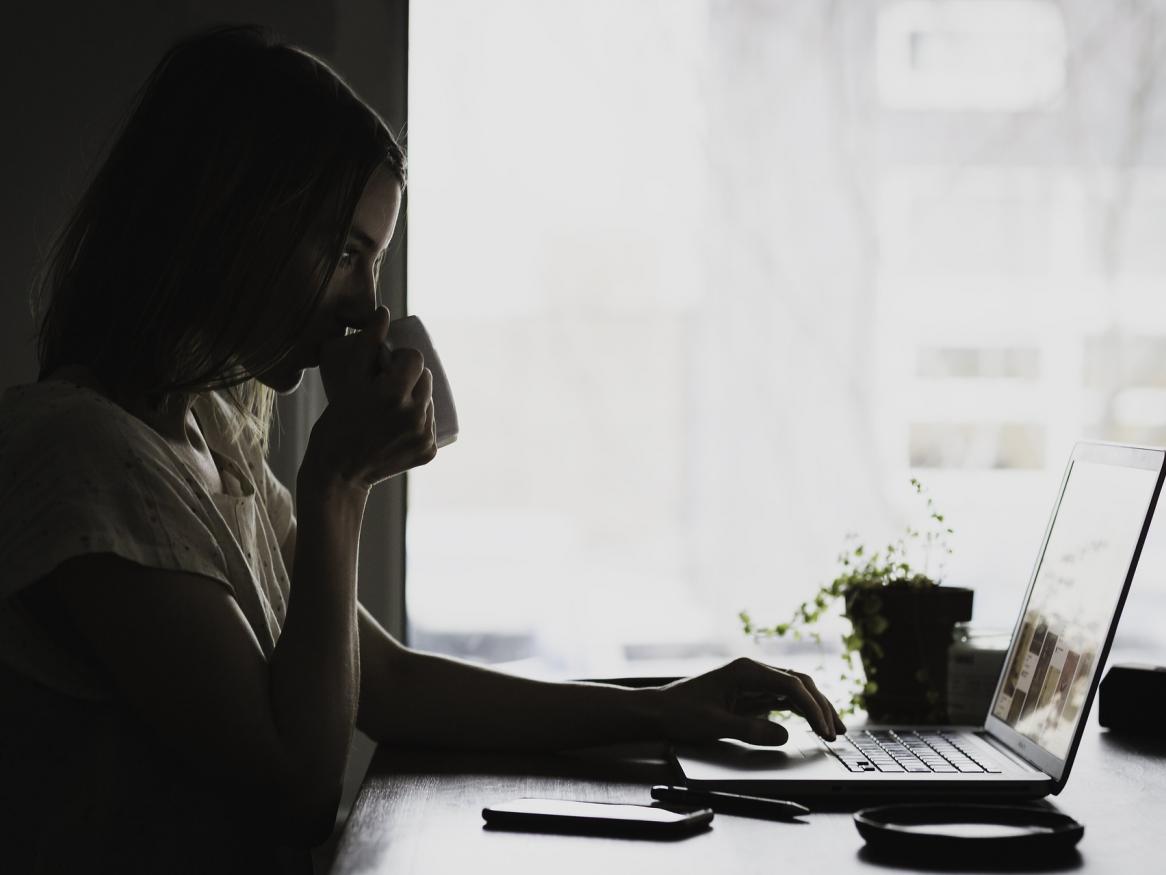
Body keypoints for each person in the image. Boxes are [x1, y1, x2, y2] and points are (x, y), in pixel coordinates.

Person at [0, 24, 845, 874]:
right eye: (343, 254)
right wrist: (338, 481)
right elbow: (293, 792)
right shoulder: (82, 456)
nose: (368, 310)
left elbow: (388, 682)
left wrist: (663, 708)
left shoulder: (212, 437)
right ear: (231, 224)